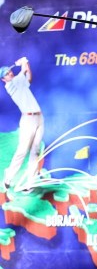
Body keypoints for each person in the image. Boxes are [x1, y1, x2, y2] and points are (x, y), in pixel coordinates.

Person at [1, 57, 44, 191]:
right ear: (3, 80)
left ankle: (30, 184)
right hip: (27, 120)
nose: (10, 73)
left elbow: (29, 77)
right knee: (22, 150)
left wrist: (26, 64)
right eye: (6, 74)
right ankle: (8, 178)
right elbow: (24, 70)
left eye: (9, 71)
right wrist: (23, 62)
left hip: (39, 117)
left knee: (35, 151)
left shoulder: (19, 82)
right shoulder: (11, 85)